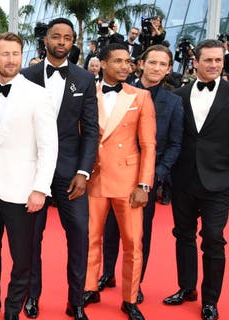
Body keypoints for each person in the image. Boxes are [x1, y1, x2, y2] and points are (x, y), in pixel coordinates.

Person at [162, 39, 229, 320]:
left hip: (220, 180)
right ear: (196, 63)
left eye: (218, 60)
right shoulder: (178, 94)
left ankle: (210, 300)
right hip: (183, 180)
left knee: (214, 238)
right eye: (208, 60)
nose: (214, 64)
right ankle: (186, 288)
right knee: (183, 236)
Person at [21, 18, 99, 320]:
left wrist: (84, 172)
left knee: (79, 235)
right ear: (46, 40)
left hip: (71, 172)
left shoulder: (84, 78)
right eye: (57, 36)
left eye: (68, 37)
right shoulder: (25, 76)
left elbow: (91, 130)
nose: (62, 42)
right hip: (32, 172)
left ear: (73, 40)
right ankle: (31, 296)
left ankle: (76, 301)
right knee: (31, 238)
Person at [0, 32, 58, 320]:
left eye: (15, 53)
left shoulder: (38, 94)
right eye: (5, 54)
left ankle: (13, 309)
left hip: (23, 189)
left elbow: (49, 145)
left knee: (21, 257)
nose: (11, 59)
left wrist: (40, 188)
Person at [99, 45, 183, 304]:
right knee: (109, 229)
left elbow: (175, 144)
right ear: (141, 63)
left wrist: (155, 175)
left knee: (138, 235)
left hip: (145, 179)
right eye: (153, 62)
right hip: (112, 173)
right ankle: (107, 274)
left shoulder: (174, 101)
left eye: (163, 64)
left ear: (169, 69)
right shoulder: (121, 89)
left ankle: (136, 284)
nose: (157, 68)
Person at [83, 43, 156, 320]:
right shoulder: (89, 92)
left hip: (128, 182)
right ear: (102, 64)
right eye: (118, 61)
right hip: (95, 178)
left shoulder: (141, 96)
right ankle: (89, 287)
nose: (125, 66)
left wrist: (144, 185)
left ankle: (130, 298)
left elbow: (149, 145)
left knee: (133, 242)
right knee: (90, 238)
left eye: (128, 61)